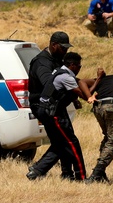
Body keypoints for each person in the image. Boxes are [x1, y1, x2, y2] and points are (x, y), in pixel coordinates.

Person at [27, 48, 91, 181]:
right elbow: (83, 94)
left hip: (49, 110)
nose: (80, 68)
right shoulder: (58, 72)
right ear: (72, 65)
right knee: (71, 143)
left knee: (60, 144)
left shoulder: (59, 69)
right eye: (79, 66)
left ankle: (38, 170)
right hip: (52, 112)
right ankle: (81, 176)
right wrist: (97, 81)